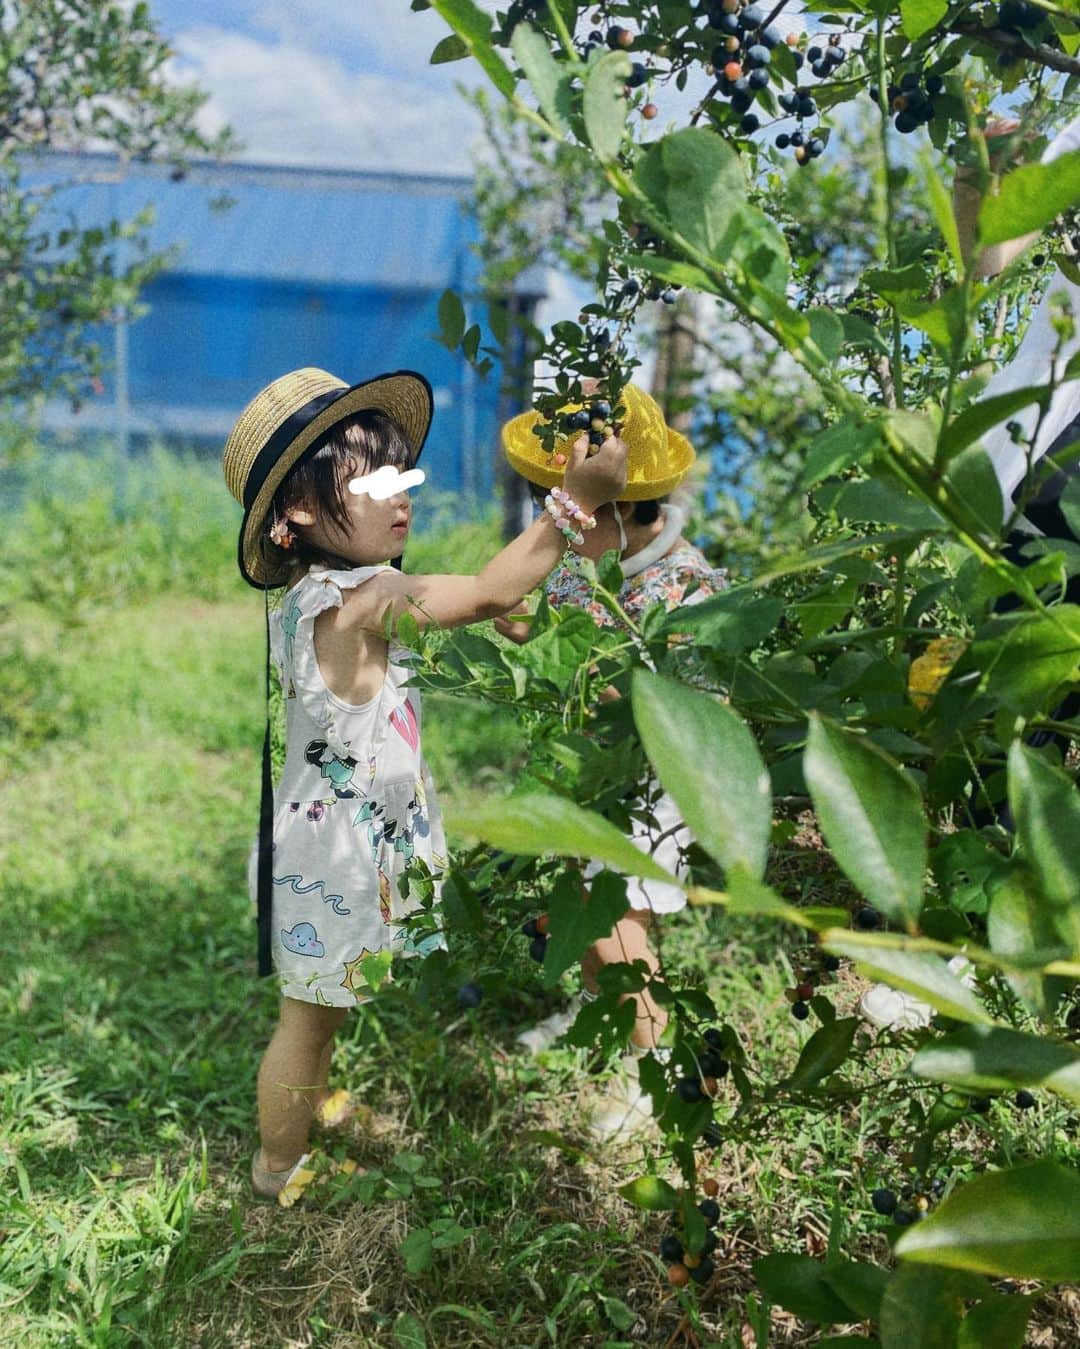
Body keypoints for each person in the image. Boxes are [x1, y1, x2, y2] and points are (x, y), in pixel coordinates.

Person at [222, 367, 627, 1201]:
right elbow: (488, 591)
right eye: (371, 479)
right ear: (297, 512)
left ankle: (312, 1107)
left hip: (321, 846)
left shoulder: (320, 596)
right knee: (304, 1019)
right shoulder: (363, 599)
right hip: (336, 862)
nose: (400, 494)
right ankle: (276, 1170)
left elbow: (475, 604)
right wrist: (571, 500)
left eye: (402, 474)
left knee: (321, 1006)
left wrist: (490, 606)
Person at [497, 383, 728, 1139]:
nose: (549, 517)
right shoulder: (585, 551)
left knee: (611, 913)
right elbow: (548, 624)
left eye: (566, 501)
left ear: (623, 511)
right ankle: (598, 1013)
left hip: (644, 779)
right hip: (579, 762)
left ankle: (652, 1063)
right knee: (573, 895)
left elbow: (701, 714)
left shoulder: (686, 588)